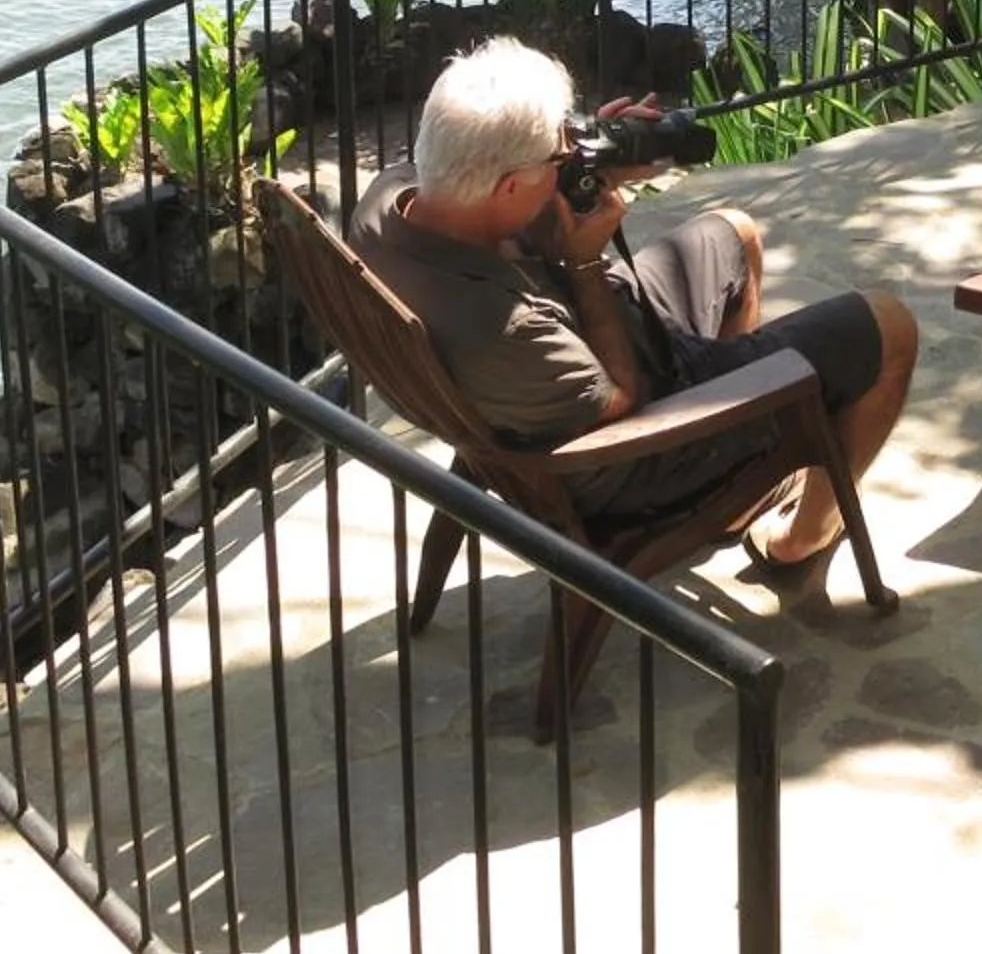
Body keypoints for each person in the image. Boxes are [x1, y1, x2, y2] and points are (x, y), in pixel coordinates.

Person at [346, 36, 918, 576]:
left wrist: (596, 166)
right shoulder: (506, 330)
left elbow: (503, 224)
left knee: (735, 234)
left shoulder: (388, 205)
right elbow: (621, 400)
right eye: (558, 153)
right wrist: (586, 265)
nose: (569, 153)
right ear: (511, 188)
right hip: (620, 456)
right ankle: (798, 538)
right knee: (887, 326)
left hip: (561, 379)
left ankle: (736, 459)